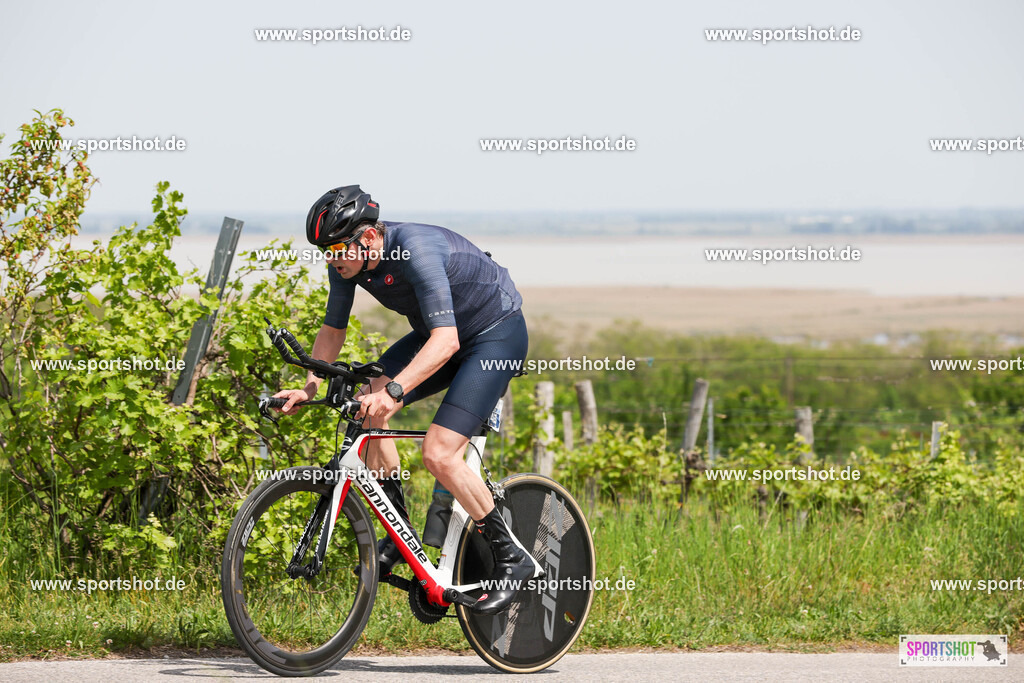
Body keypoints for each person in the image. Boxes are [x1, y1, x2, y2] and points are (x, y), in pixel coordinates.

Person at [273, 185, 532, 615]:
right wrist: (309, 387)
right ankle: (402, 538)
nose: (332, 259)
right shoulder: (347, 265)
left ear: (369, 238)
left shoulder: (414, 250)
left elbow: (446, 341)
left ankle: (513, 557)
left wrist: (396, 392)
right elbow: (332, 330)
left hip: (493, 336)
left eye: (338, 248)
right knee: (366, 401)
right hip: (442, 338)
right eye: (325, 251)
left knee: (439, 452)